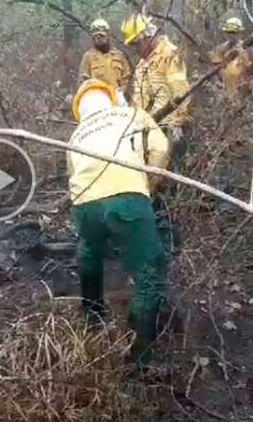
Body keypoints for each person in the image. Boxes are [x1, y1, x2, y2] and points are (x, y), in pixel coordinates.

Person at [67, 79, 170, 366]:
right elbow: (160, 149)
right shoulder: (132, 114)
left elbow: (72, 176)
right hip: (127, 197)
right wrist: (148, 185)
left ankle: (92, 315)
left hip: (84, 204)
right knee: (151, 269)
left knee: (89, 249)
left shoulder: (76, 134)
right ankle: (137, 360)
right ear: (110, 98)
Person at [121, 14, 190, 165]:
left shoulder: (170, 54)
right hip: (145, 129)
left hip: (167, 127)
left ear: (147, 37)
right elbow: (138, 97)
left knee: (170, 176)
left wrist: (177, 124)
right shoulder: (142, 64)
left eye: (136, 44)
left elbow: (181, 92)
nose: (135, 49)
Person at [209, 17, 253, 101]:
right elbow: (214, 70)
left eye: (234, 32)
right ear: (225, 33)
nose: (231, 35)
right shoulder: (220, 49)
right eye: (228, 32)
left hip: (242, 92)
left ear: (240, 33)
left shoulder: (247, 49)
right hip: (226, 92)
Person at [78, 18, 132, 96]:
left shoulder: (119, 55)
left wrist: (123, 90)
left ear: (108, 36)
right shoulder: (88, 57)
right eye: (96, 37)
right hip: (98, 101)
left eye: (102, 36)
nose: (99, 39)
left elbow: (127, 78)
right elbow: (83, 82)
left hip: (117, 100)